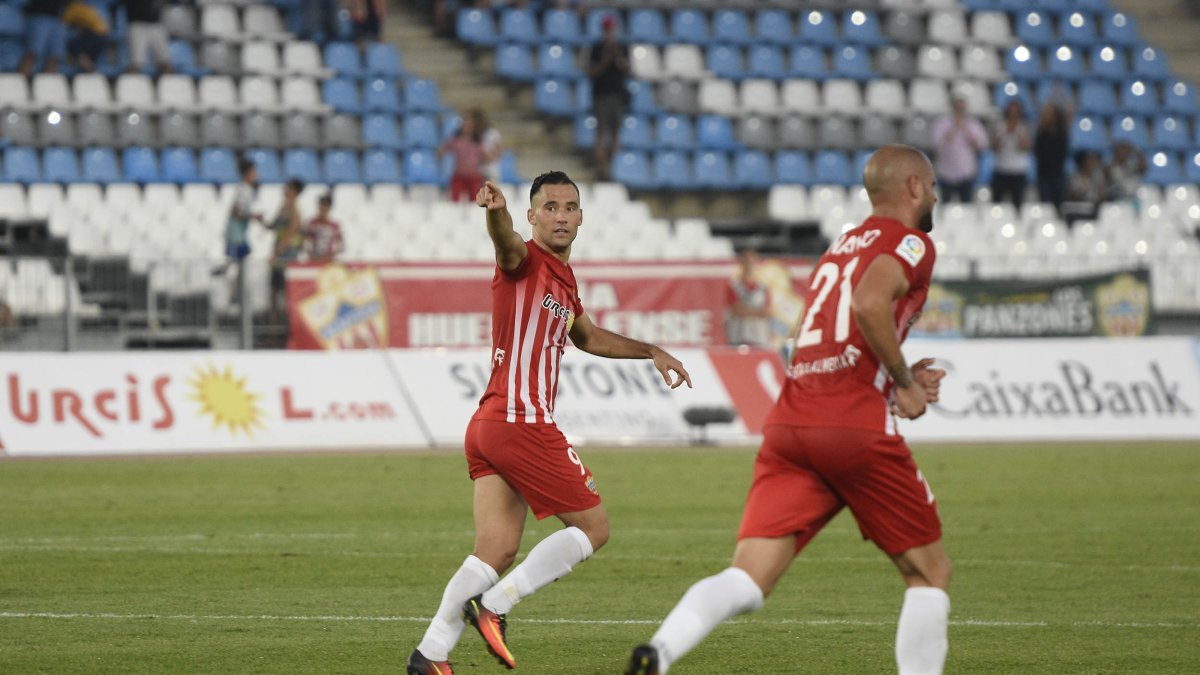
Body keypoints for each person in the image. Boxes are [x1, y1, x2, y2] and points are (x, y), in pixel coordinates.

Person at [625, 145, 951, 675]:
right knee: (929, 573)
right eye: (933, 185)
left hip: (791, 425)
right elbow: (869, 304)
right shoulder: (911, 243)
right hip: (851, 429)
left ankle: (659, 652)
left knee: (748, 577)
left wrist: (887, 377)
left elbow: (807, 337)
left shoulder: (841, 246)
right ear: (914, 186)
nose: (936, 195)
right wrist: (903, 380)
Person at [406, 172, 693, 675]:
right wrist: (497, 212)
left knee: (494, 548)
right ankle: (495, 605)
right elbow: (505, 244)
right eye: (550, 207)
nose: (561, 215)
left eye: (569, 207)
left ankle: (430, 654)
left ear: (581, 217)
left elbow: (587, 336)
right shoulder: (524, 261)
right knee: (593, 528)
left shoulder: (564, 279)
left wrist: (651, 351)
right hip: (520, 421)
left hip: (489, 424)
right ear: (533, 215)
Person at [587, 13, 630, 181]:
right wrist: (605, 60)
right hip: (601, 95)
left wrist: (617, 57)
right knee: (601, 134)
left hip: (617, 95)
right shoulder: (597, 49)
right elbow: (591, 72)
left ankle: (614, 170)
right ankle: (601, 170)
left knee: (615, 134)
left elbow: (628, 69)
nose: (609, 33)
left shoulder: (621, 48)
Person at [931, 94, 987, 202]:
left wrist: (966, 131)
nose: (959, 110)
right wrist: (954, 128)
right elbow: (937, 146)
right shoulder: (942, 123)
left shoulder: (974, 124)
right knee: (946, 207)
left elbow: (981, 147)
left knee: (967, 207)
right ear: (952, 107)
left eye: (962, 107)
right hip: (946, 173)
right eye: (957, 107)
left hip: (967, 173)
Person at [225, 159, 264, 307]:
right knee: (236, 264)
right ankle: (234, 296)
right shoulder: (242, 190)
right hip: (236, 234)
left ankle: (238, 294)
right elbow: (235, 212)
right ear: (248, 173)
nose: (256, 174)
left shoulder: (247, 190)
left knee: (242, 260)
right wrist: (253, 216)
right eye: (254, 171)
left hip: (241, 234)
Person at [269, 179, 306, 327]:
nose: (285, 190)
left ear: (294, 191)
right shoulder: (283, 208)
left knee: (285, 294)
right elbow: (273, 226)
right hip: (280, 254)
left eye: (288, 188)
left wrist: (277, 252)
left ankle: (287, 329)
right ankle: (274, 329)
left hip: (287, 256)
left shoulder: (295, 209)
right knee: (274, 292)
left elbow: (292, 232)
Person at [725, 248, 772, 347]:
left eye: (752, 261)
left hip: (759, 338)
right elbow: (736, 310)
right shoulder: (734, 286)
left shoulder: (763, 287)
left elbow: (767, 311)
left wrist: (746, 311)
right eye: (746, 261)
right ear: (741, 262)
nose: (749, 265)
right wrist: (757, 312)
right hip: (738, 337)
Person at [990, 99, 1032, 208]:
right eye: (1011, 111)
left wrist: (1017, 133)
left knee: (1018, 203)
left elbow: (1025, 147)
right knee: (997, 202)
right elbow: (993, 147)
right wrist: (1002, 136)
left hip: (1018, 170)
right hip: (1001, 169)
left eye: (1015, 111)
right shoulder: (999, 126)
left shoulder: (1024, 127)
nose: (1013, 113)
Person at [438, 112, 487, 203]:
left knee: (475, 201)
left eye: (470, 126)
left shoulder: (477, 141)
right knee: (454, 200)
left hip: (473, 175)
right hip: (459, 175)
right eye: (465, 125)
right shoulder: (456, 140)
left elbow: (485, 157)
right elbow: (443, 149)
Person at [1033, 101, 1071, 214]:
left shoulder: (1062, 132)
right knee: (1046, 206)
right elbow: (1038, 152)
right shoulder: (1041, 133)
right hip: (1044, 174)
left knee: (1059, 205)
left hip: (1057, 173)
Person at [18, 0, 69, 76]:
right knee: (33, 52)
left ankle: (47, 84)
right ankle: (20, 80)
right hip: (39, 16)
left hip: (57, 18)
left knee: (55, 56)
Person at [123, 0, 171, 74]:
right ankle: (128, 84)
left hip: (156, 24)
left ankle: (167, 84)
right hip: (137, 24)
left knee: (165, 63)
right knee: (136, 63)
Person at [62, 0, 110, 72]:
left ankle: (88, 68)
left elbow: (62, 24)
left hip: (97, 35)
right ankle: (89, 67)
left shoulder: (74, 7)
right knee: (80, 47)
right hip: (103, 35)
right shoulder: (88, 6)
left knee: (73, 45)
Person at [1063, 150, 1108, 225]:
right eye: (1090, 160)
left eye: (1094, 160)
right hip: (1078, 209)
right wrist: (1082, 190)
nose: (1093, 163)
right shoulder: (1074, 177)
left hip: (1095, 208)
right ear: (1082, 162)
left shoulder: (1098, 176)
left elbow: (1102, 196)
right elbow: (1071, 196)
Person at [304, 194, 344, 264]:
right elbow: (306, 241)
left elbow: (340, 244)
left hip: (329, 260)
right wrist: (311, 254)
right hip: (314, 259)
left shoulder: (334, 226)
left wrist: (331, 255)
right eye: (321, 206)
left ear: (329, 208)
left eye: (326, 206)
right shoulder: (312, 224)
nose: (323, 208)